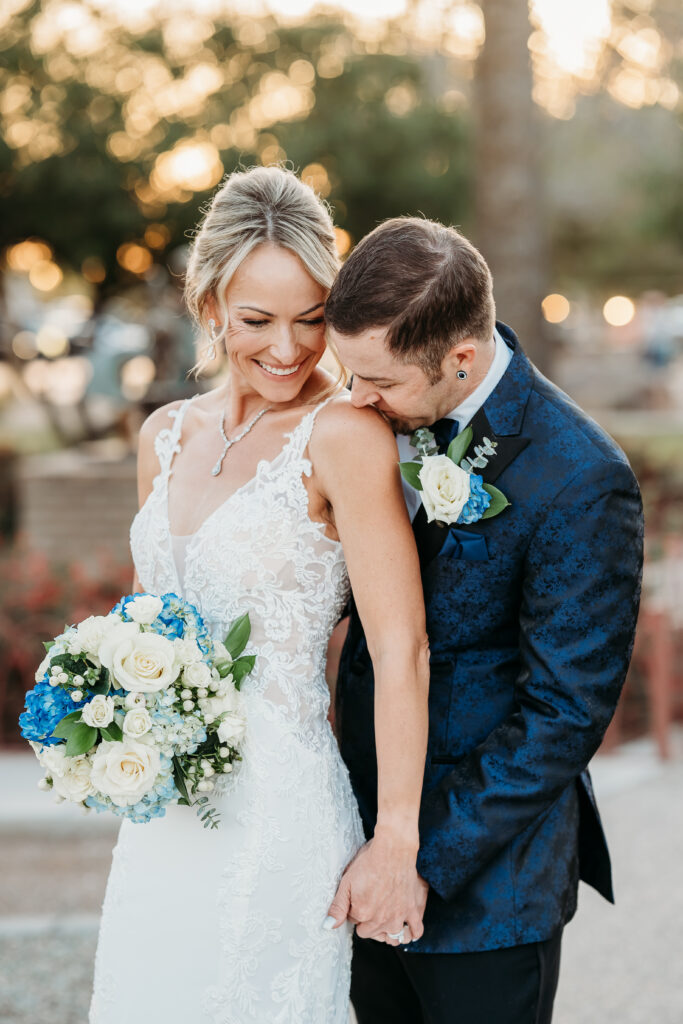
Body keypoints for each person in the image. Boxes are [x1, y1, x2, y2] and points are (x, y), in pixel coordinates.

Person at [88, 168, 430, 1024]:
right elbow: (144, 623)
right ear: (209, 307)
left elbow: (400, 649)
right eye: (256, 321)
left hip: (279, 813)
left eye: (311, 321)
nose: (287, 348)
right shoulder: (163, 435)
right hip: (163, 816)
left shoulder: (344, 438)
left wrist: (395, 836)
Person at [324, 217, 644, 1024]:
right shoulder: (369, 422)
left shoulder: (579, 477)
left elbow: (563, 714)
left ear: (459, 359)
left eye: (378, 381)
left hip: (487, 887)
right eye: (348, 374)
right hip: (353, 852)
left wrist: (416, 857)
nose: (357, 398)